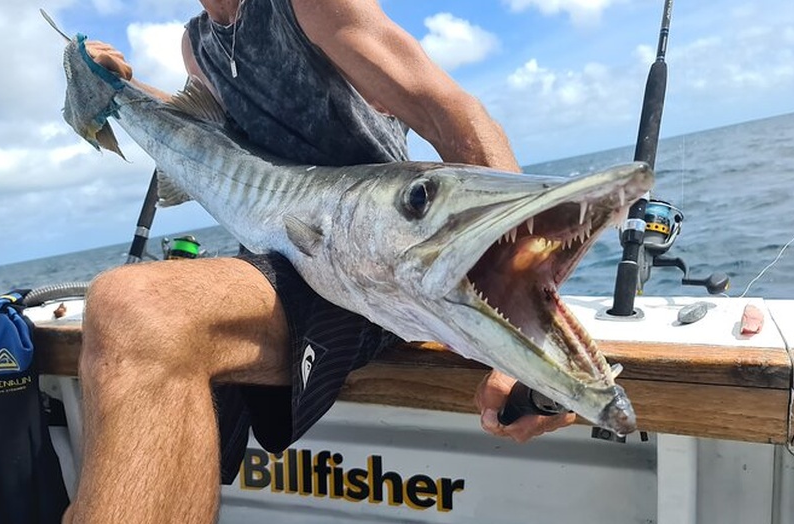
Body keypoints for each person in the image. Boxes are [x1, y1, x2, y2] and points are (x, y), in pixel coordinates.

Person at [67, 0, 575, 522]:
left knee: (134, 301)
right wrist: (120, 90)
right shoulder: (197, 42)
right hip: (279, 260)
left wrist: (526, 328)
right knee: (129, 308)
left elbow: (447, 109)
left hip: (374, 267)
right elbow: (210, 133)